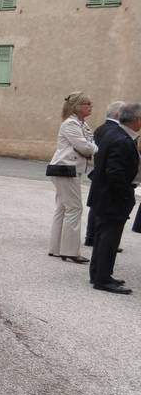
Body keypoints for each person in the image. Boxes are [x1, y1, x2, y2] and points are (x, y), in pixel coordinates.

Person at [87, 102, 141, 294]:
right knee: (109, 238)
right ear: (137, 120)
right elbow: (115, 173)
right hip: (112, 198)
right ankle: (102, 279)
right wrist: (128, 195)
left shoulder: (114, 133)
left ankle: (99, 274)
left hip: (104, 196)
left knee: (103, 238)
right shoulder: (122, 139)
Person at [46, 92, 96, 263]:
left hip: (68, 169)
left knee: (62, 208)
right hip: (67, 169)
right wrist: (95, 148)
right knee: (74, 208)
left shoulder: (80, 124)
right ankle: (70, 251)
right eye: (87, 104)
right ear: (77, 106)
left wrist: (91, 146)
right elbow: (85, 147)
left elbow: (88, 144)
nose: (90, 107)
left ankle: (56, 248)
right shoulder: (71, 124)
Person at [85, 101, 124, 246]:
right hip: (107, 173)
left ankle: (91, 236)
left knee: (96, 205)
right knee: (102, 207)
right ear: (118, 114)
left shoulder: (102, 128)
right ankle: (96, 238)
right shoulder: (114, 130)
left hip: (99, 171)